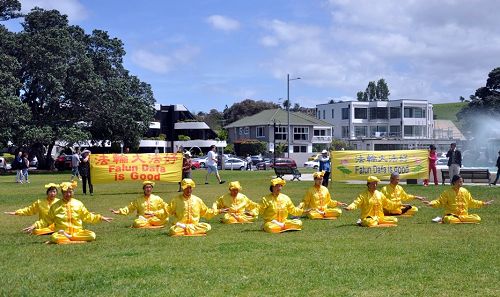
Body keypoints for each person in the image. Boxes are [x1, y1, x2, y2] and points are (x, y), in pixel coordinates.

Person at [24, 181, 112, 244]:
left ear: (73, 192)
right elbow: (46, 220)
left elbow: (87, 216)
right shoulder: (55, 206)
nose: (68, 194)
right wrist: (34, 226)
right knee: (54, 237)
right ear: (62, 193)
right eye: (66, 192)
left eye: (70, 192)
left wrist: (100, 217)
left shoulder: (78, 203)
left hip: (77, 232)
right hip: (62, 233)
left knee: (92, 235)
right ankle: (78, 241)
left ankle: (69, 240)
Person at [423, 175, 493, 224]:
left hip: (464, 216)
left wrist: (483, 203)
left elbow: (471, 202)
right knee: (449, 219)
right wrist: (431, 203)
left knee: (477, 218)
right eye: (459, 182)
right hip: (452, 216)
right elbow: (440, 201)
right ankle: (445, 219)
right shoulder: (447, 192)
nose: (460, 183)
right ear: (454, 182)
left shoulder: (465, 191)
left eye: (462, 182)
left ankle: (457, 220)